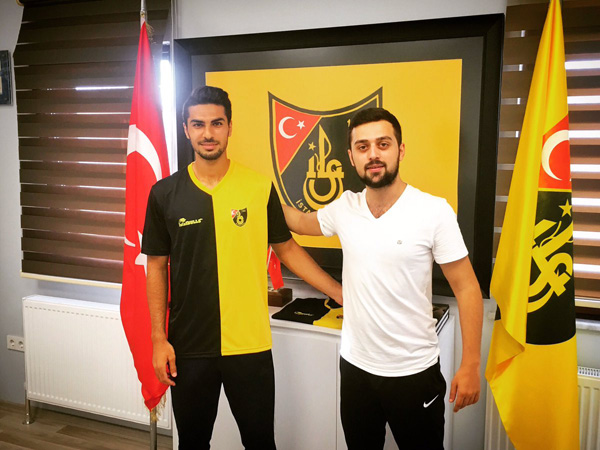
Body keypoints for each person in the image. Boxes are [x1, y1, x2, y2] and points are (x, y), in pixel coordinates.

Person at [142, 85, 342, 450]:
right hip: (189, 345)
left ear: (230, 127)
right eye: (198, 124)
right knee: (193, 444)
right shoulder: (164, 193)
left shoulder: (258, 187)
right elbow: (155, 266)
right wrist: (158, 338)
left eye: (216, 123)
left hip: (249, 345)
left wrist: (340, 293)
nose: (208, 133)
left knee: (260, 441)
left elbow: (287, 249)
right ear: (186, 129)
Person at [283, 107, 483, 449]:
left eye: (383, 144)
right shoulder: (345, 207)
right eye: (363, 147)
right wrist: (258, 194)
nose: (373, 154)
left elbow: (467, 288)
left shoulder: (434, 211)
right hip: (355, 369)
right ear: (351, 157)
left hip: (414, 373)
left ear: (400, 150)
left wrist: (471, 364)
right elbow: (300, 223)